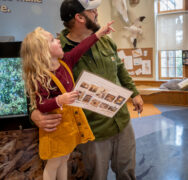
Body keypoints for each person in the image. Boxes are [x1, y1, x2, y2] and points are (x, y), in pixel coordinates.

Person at [31, 0, 144, 179]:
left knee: (127, 172)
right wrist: (34, 112)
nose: (97, 13)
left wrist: (134, 92)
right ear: (80, 17)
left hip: (121, 121)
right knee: (97, 176)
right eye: (93, 11)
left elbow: (120, 69)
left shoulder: (105, 40)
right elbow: (36, 84)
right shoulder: (57, 52)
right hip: (93, 131)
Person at [21, 22, 114, 180]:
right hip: (55, 129)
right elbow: (40, 105)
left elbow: (82, 47)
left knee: (64, 159)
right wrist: (59, 100)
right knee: (53, 164)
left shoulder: (66, 62)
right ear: (43, 52)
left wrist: (99, 34)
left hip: (68, 126)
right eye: (52, 40)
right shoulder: (41, 76)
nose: (58, 40)